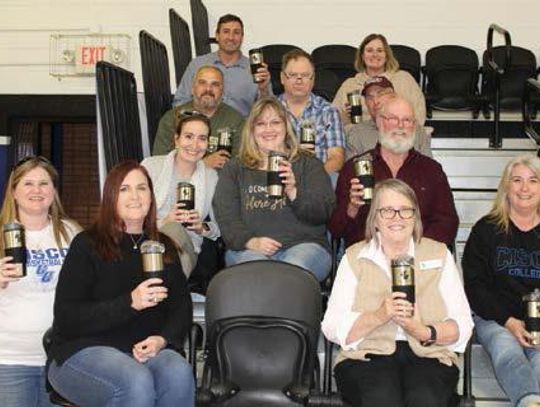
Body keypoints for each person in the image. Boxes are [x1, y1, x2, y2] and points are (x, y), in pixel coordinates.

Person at [47, 161, 194, 407]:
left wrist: (163, 339)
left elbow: (181, 307)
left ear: (151, 196)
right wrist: (130, 303)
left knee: (178, 371)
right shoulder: (87, 244)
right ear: (111, 197)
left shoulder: (164, 246)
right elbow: (67, 316)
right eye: (124, 189)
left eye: (142, 188)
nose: (135, 196)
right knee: (135, 380)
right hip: (83, 351)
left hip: (144, 353)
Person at [322, 178, 473, 407]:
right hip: (366, 355)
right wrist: (379, 316)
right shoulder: (355, 257)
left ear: (415, 218)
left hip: (429, 355)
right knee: (381, 400)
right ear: (374, 220)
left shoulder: (439, 253)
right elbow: (331, 326)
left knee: (425, 400)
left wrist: (423, 331)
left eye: (405, 211)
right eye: (387, 211)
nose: (397, 218)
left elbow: (463, 325)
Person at [213, 97, 335, 282]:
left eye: (275, 122)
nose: (268, 129)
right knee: (259, 273)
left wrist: (294, 192)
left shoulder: (308, 164)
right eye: (261, 124)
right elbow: (226, 217)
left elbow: (324, 212)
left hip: (305, 247)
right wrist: (251, 242)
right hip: (249, 248)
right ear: (252, 130)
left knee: (290, 274)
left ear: (286, 127)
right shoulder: (235, 168)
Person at [0, 156, 80, 407]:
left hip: (62, 359)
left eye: (44, 184)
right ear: (13, 191)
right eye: (28, 183)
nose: (37, 190)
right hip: (9, 359)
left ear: (54, 191)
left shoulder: (72, 233)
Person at [462, 154, 540, 407]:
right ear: (506, 186)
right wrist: (509, 322)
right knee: (508, 353)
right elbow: (475, 286)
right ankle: (529, 402)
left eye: (533, 180)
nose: (525, 188)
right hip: (495, 318)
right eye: (517, 180)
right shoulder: (486, 229)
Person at [329, 96, 458, 248]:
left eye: (407, 120)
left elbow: (448, 223)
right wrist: (352, 208)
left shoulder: (431, 170)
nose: (401, 126)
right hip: (367, 257)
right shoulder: (354, 168)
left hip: (418, 254)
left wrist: (415, 247)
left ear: (414, 126)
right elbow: (336, 229)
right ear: (379, 122)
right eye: (393, 119)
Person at [143, 113, 221, 291]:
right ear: (176, 139)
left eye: (202, 138)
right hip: (148, 241)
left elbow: (218, 228)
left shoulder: (211, 177)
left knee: (176, 230)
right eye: (188, 136)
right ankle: (171, 298)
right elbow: (134, 215)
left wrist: (201, 227)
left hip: (189, 246)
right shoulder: (150, 167)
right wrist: (165, 221)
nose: (194, 145)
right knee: (172, 228)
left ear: (208, 144)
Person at [173, 14, 271, 117]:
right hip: (202, 128)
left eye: (236, 33)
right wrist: (195, 123)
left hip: (240, 130)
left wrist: (264, 89)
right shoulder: (197, 65)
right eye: (226, 31)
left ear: (242, 37)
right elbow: (180, 103)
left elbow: (268, 111)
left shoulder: (256, 71)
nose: (231, 37)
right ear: (217, 36)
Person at [153, 65, 245, 170]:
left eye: (215, 84)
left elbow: (241, 165)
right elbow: (159, 164)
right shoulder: (172, 119)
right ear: (193, 88)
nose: (208, 89)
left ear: (222, 91)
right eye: (202, 83)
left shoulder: (236, 120)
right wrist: (202, 165)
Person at [332, 33, 426, 126]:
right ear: (362, 56)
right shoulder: (349, 85)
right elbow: (332, 119)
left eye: (380, 50)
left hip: (399, 136)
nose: (375, 54)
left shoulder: (404, 79)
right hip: (360, 137)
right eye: (369, 50)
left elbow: (419, 114)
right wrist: (345, 115)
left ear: (386, 56)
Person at [277, 49, 345, 174]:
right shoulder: (270, 111)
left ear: (313, 79)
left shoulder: (328, 111)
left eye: (305, 75)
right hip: (277, 179)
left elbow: (336, 158)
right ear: (282, 78)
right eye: (292, 75)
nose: (299, 80)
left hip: (318, 179)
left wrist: (312, 179)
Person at [345, 76, 432, 159]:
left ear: (393, 96)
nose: (375, 101)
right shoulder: (357, 133)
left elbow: (429, 168)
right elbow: (351, 170)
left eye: (380, 94)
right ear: (366, 103)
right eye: (369, 97)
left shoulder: (414, 129)